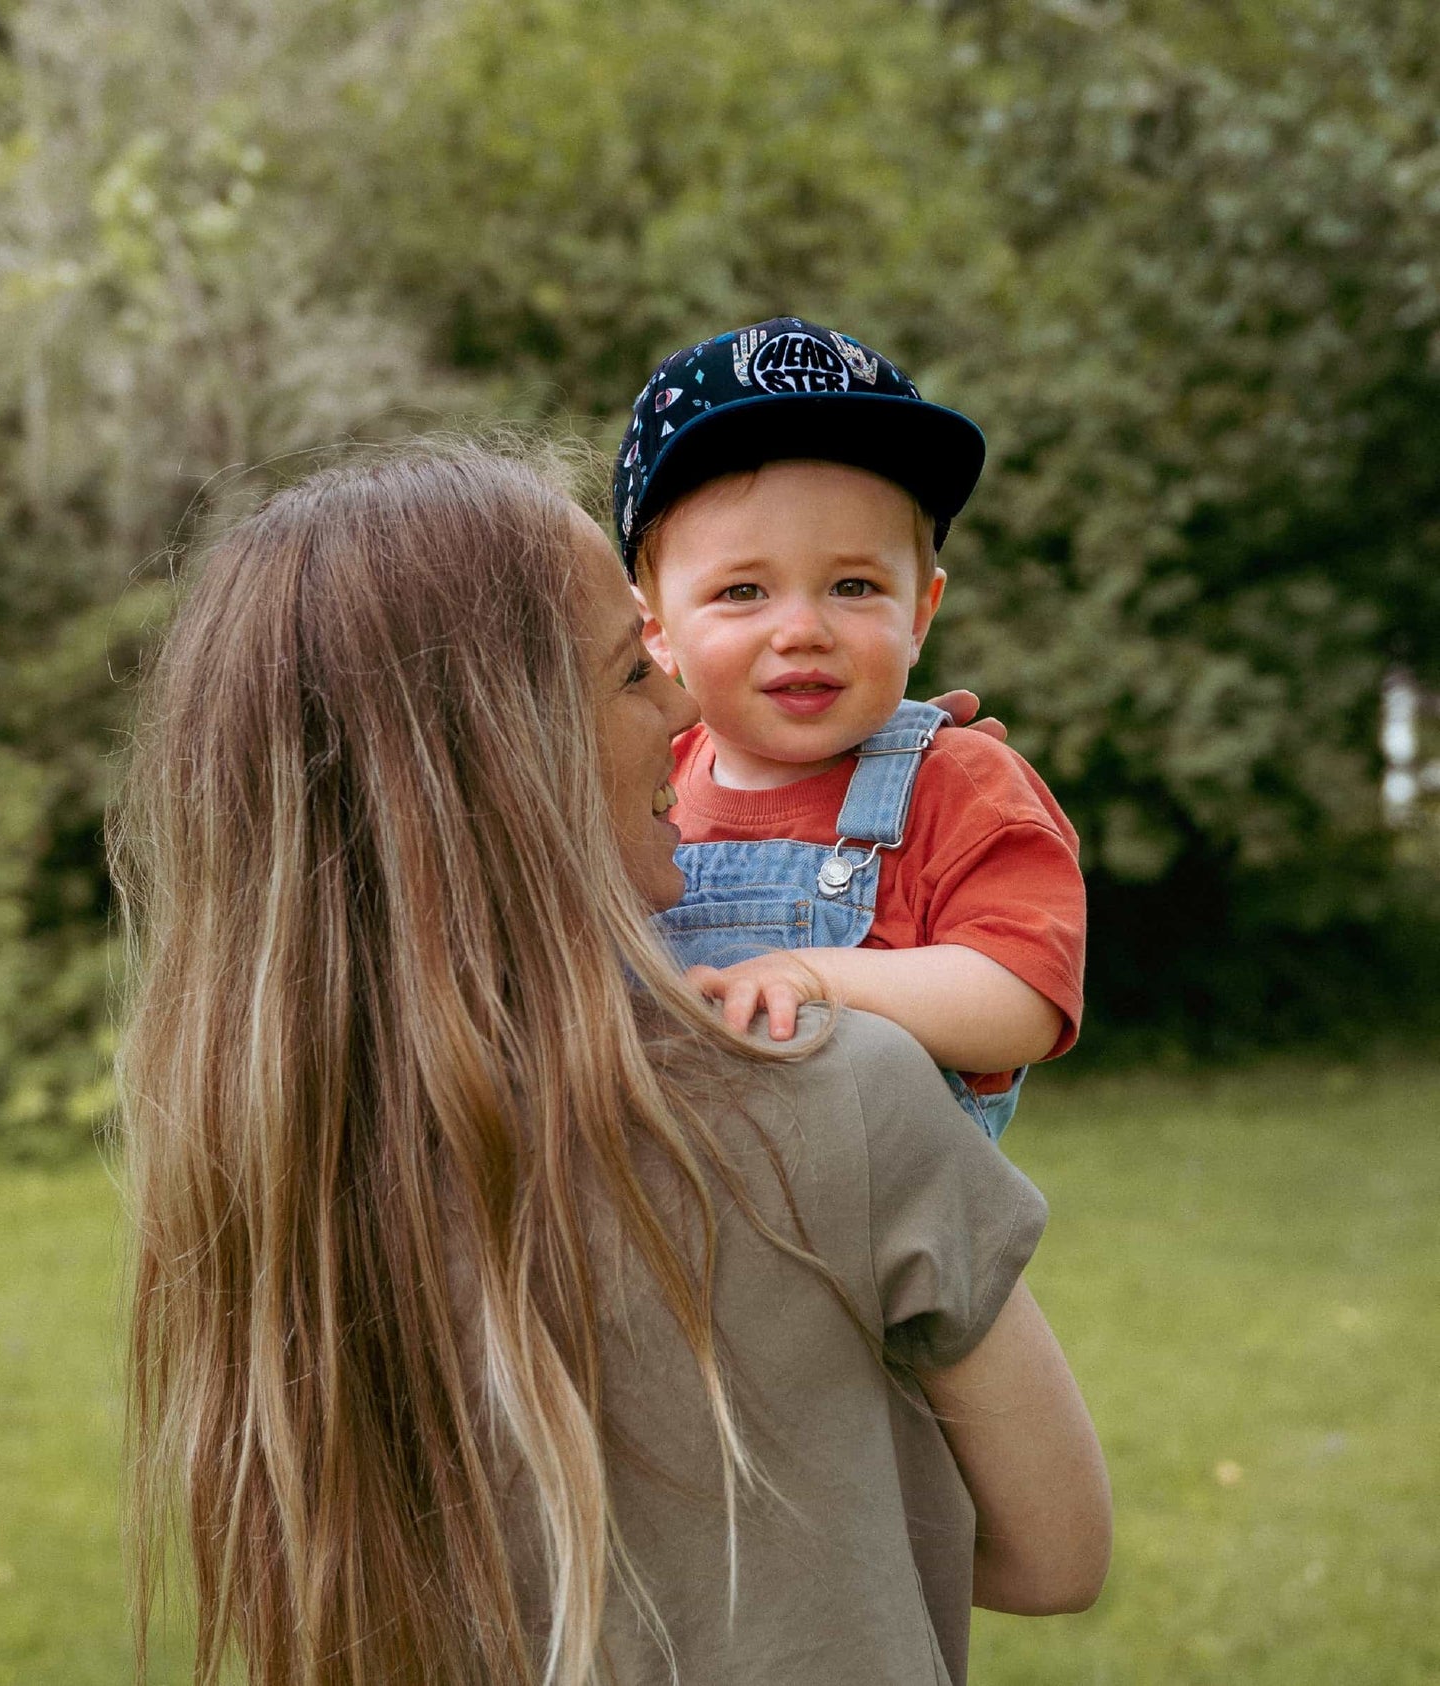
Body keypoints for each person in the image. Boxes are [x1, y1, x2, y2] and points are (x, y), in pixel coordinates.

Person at [113, 443, 1109, 1686]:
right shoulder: (832, 1092)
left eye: (851, 587)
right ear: (503, 747)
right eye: (635, 668)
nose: (692, 708)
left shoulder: (276, 1151)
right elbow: (1053, 1557)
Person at [615, 318, 1086, 1139]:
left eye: (854, 586)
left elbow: (1022, 1001)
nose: (802, 630)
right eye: (742, 592)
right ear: (655, 627)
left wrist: (815, 973)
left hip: (877, 1241)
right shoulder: (628, 787)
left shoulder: (958, 784)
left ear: (919, 614)